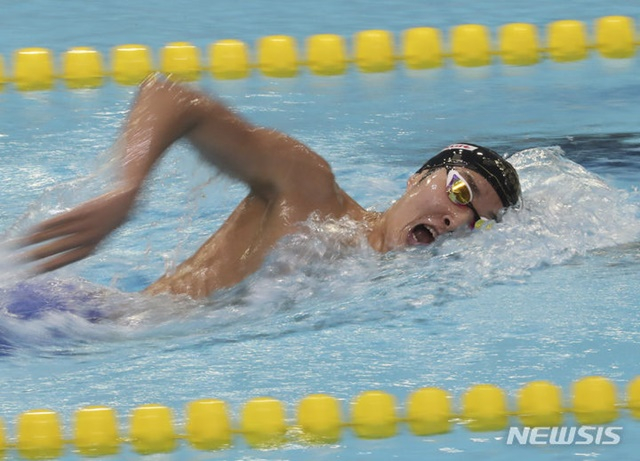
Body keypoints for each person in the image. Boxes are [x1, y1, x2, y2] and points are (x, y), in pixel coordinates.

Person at [20, 74, 521, 299]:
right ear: (417, 177)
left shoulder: (382, 289)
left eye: (477, 220)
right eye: (459, 192)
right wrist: (127, 191)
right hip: (72, 320)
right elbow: (170, 98)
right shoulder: (310, 191)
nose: (459, 218)